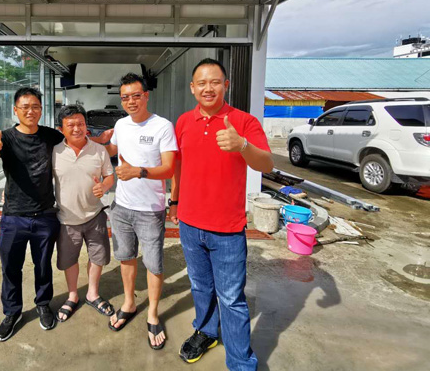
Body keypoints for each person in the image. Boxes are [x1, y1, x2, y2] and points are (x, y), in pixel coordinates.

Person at [0, 87, 112, 342]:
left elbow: (75, 135)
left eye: (35, 107)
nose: (30, 111)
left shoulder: (51, 136)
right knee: (11, 267)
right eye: (25, 107)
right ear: (15, 110)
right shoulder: (6, 138)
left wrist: (100, 139)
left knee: (43, 265)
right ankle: (12, 312)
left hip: (45, 214)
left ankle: (43, 304)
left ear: (41, 110)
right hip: (14, 215)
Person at [169, 58, 274, 368]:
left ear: (226, 85)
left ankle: (241, 362)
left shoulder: (243, 122)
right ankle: (206, 331)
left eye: (215, 82)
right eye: (201, 83)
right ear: (192, 88)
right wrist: (175, 202)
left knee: (231, 299)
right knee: (200, 287)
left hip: (227, 229)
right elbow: (179, 166)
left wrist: (242, 145)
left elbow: (267, 164)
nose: (208, 88)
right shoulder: (183, 122)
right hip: (189, 225)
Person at [105, 73, 177, 350]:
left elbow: (169, 169)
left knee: (154, 264)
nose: (131, 102)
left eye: (136, 96)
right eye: (125, 97)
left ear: (146, 96)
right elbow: (113, 148)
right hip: (121, 206)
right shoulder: (121, 124)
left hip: (150, 210)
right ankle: (129, 303)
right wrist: (93, 140)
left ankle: (153, 313)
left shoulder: (162, 126)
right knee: (126, 258)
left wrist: (139, 172)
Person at [52, 104, 115, 322]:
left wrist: (104, 186)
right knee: (69, 259)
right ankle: (72, 295)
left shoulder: (99, 150)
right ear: (61, 129)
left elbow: (109, 176)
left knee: (97, 256)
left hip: (95, 215)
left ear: (87, 126)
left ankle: (92, 294)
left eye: (80, 123)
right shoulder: (55, 152)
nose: (77, 128)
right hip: (66, 219)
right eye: (70, 125)